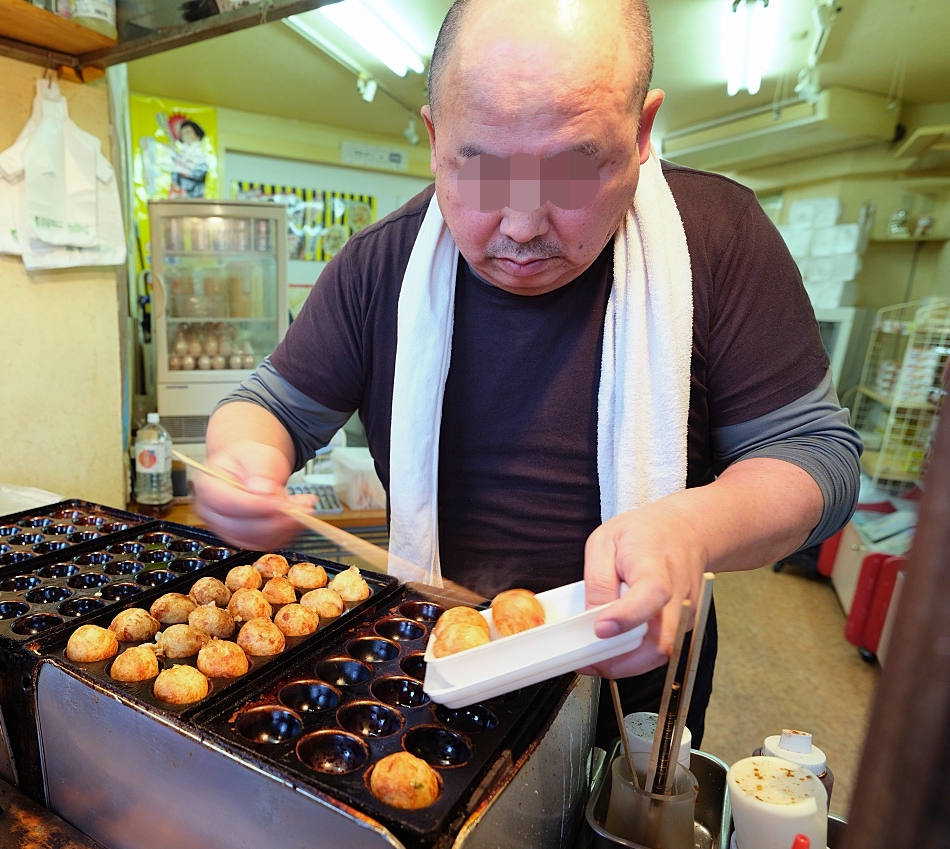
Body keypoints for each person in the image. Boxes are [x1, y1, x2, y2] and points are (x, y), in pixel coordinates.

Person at [193, 0, 861, 746]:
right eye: (479, 168)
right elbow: (269, 407)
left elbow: (816, 458)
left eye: (575, 168)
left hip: (634, 677)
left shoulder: (720, 241)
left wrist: (692, 525)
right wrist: (244, 456)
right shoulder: (383, 264)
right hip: (426, 661)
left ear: (642, 133)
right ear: (435, 135)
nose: (519, 226)